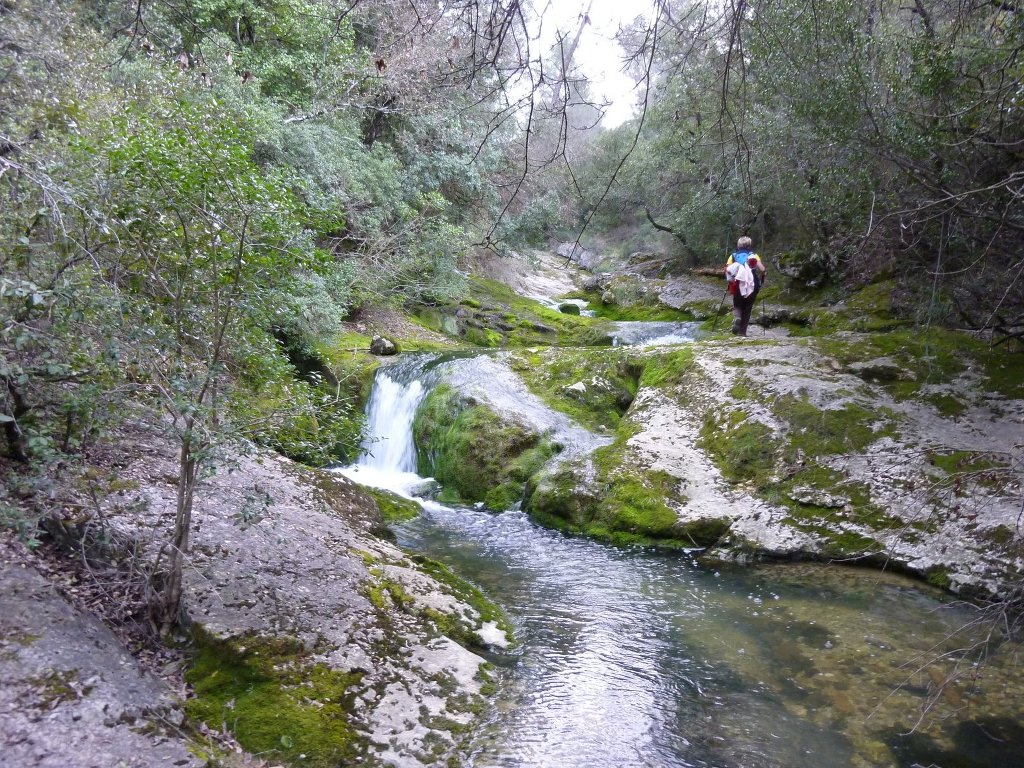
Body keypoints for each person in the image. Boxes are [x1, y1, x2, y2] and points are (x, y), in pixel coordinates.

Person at [724, 236, 767, 336]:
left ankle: (737, 317)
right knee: (748, 308)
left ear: (738, 245)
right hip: (752, 284)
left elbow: (727, 269)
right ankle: (742, 333)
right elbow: (762, 269)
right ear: (749, 245)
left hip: (737, 283)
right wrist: (763, 276)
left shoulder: (733, 256)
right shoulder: (754, 256)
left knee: (737, 304)